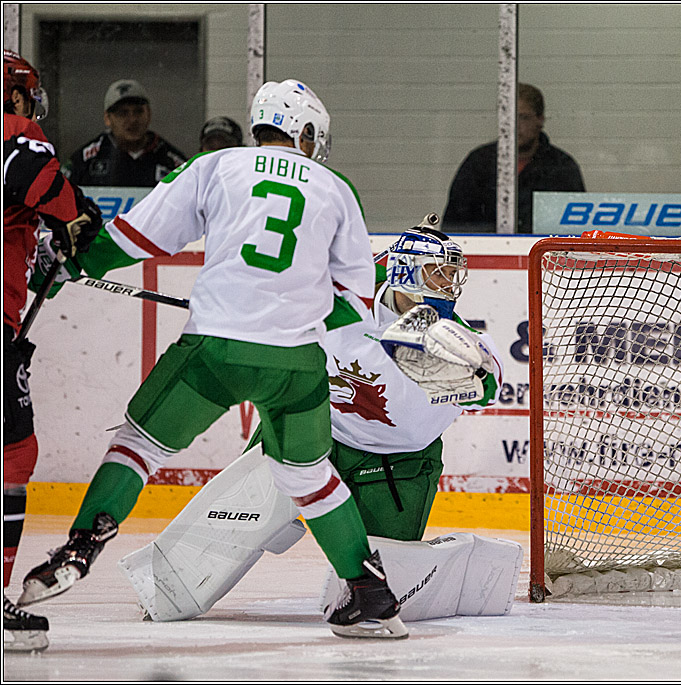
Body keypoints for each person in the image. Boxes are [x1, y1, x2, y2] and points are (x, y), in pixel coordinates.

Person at [18, 79, 409, 640]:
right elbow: (356, 297)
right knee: (311, 477)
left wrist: (75, 268)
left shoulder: (217, 166)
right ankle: (371, 593)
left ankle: (82, 545)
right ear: (302, 132)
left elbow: (136, 237)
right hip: (297, 364)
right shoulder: (336, 187)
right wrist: (304, 318)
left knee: (138, 445)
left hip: (215, 351)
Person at [118, 218, 513, 624]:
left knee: (382, 593)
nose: (448, 284)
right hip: (311, 431)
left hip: (398, 465)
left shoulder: (457, 339)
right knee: (234, 518)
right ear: (405, 272)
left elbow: (487, 387)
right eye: (438, 272)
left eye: (452, 275)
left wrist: (464, 373)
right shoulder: (341, 295)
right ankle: (166, 587)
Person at [3, 49, 103, 652]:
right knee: (13, 453)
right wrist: (75, 213)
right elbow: (34, 173)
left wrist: (43, 248)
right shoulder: (15, 130)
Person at [442, 83, 585, 234]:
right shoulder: (479, 162)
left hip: (543, 255)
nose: (514, 125)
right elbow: (454, 226)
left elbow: (575, 228)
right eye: (507, 117)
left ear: (540, 120)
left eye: (523, 117)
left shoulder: (561, 166)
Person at [64, 79, 187, 187]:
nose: (132, 120)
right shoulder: (85, 161)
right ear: (107, 118)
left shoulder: (172, 161)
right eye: (122, 113)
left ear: (149, 114)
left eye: (138, 112)